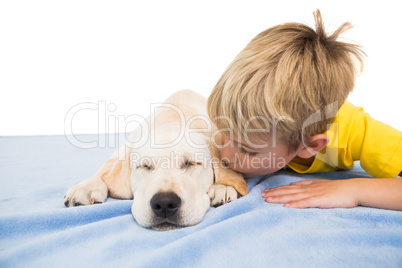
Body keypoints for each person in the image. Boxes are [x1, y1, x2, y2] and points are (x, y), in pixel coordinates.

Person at [207, 10, 402, 210]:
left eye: (246, 150)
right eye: (223, 133)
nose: (225, 155)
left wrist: (354, 190)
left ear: (310, 146)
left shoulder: (357, 132)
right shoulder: (239, 113)